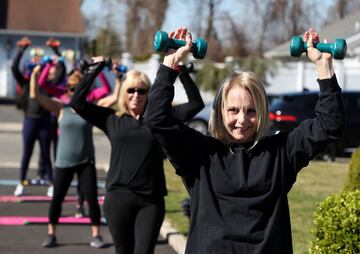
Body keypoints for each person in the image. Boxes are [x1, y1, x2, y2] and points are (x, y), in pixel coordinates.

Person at [145, 27, 345, 254]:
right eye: (233, 110)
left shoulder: (280, 152)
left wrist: (324, 66)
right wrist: (171, 62)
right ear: (220, 111)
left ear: (261, 112)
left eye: (251, 111)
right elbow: (157, 119)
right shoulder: (201, 154)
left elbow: (330, 124)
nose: (242, 120)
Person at [70, 56, 204, 254]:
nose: (136, 95)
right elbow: (77, 103)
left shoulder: (160, 120)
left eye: (142, 91)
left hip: (150, 201)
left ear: (149, 94)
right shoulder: (112, 119)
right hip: (118, 198)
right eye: (131, 90)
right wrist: (94, 69)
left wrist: (182, 72)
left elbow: (195, 104)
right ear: (124, 93)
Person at [29, 65, 106, 249]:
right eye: (71, 88)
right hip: (64, 162)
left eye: (78, 88)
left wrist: (111, 74)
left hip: (86, 161)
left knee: (92, 199)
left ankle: (96, 235)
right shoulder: (60, 107)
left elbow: (114, 96)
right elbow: (35, 95)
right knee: (57, 199)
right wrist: (34, 75)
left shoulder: (90, 109)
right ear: (67, 90)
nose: (74, 91)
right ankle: (51, 234)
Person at [11, 37, 54, 197]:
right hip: (30, 120)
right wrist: (22, 50)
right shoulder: (25, 82)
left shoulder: (46, 83)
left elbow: (61, 71)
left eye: (39, 61)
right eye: (34, 60)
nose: (37, 63)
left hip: (44, 121)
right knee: (26, 155)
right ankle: (21, 183)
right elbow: (14, 68)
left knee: (45, 155)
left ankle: (51, 184)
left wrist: (55, 53)